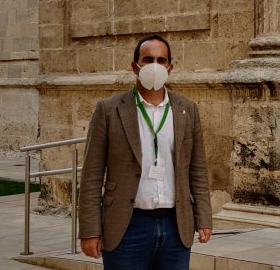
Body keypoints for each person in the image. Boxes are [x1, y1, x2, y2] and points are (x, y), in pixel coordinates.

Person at [78, 35, 213, 269]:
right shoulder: (109, 110)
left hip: (175, 225)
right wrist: (89, 230)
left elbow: (198, 170)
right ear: (135, 66)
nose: (155, 65)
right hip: (127, 225)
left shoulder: (187, 110)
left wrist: (204, 218)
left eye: (161, 60)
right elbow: (91, 175)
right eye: (148, 59)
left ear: (170, 67)